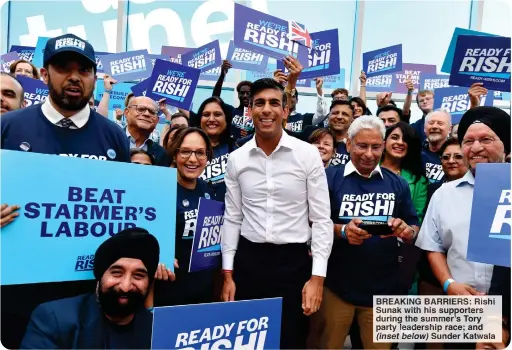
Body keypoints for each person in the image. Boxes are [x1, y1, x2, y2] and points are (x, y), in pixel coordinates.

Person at [0, 33, 130, 349]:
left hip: (86, 295)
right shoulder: (9, 128)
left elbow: (125, 207)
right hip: (19, 291)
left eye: (83, 70)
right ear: (45, 74)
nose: (74, 77)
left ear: (94, 77)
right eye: (63, 67)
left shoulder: (114, 137)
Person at [221, 69, 333, 348]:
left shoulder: (307, 154)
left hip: (293, 264)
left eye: (274, 103)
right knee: (247, 342)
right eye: (259, 103)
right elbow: (232, 218)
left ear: (285, 110)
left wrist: (317, 277)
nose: (266, 110)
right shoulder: (236, 160)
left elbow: (321, 219)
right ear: (250, 111)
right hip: (249, 262)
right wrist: (228, 273)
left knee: (290, 340)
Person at [307, 116, 419, 350]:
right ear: (348, 144)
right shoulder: (328, 178)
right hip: (336, 287)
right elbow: (310, 223)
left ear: (384, 145)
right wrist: (342, 231)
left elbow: (413, 225)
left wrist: (406, 230)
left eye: (376, 147)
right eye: (362, 146)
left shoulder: (397, 184)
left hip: (383, 291)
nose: (369, 154)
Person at [416, 106, 511, 349]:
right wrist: (449, 284)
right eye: (469, 140)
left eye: (486, 139)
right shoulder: (443, 195)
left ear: (506, 145)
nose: (476, 148)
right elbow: (432, 246)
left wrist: (500, 322)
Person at [20, 227, 160, 349]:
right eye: (117, 273)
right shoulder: (54, 319)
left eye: (138, 276)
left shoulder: (159, 329)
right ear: (100, 276)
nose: (125, 286)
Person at [154, 127, 217, 307]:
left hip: (203, 290)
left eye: (200, 153)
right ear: (175, 154)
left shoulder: (207, 189)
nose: (192, 159)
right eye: (186, 152)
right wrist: (156, 255)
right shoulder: (158, 188)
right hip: (168, 292)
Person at [197, 97, 235, 201]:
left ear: (226, 119)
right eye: (206, 115)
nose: (211, 119)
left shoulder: (238, 149)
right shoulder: (187, 151)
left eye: (217, 114)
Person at [124, 96, 170, 167]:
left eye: (152, 112)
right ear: (127, 113)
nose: (147, 114)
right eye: (141, 109)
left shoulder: (161, 154)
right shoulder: (110, 140)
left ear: (157, 120)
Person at [422, 108, 451, 183]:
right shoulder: (415, 154)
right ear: (424, 128)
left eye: (440, 123)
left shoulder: (458, 155)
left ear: (450, 129)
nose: (434, 126)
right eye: (431, 123)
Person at [326, 100, 353, 167]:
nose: (339, 117)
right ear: (328, 116)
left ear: (352, 119)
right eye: (335, 113)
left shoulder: (356, 145)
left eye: (345, 114)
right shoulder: (315, 139)